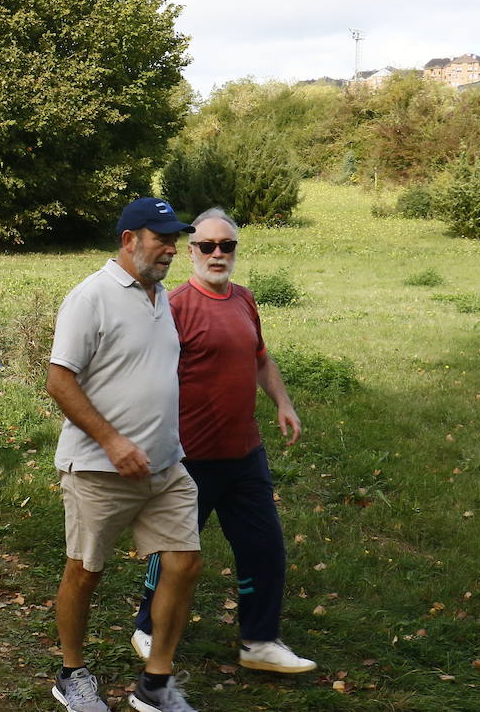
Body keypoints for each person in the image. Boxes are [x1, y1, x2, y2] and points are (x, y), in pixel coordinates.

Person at [131, 207, 315, 675]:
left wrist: (283, 402)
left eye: (226, 246)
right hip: (189, 456)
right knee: (174, 552)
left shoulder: (244, 299)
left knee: (264, 546)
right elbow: (148, 377)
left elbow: (260, 358)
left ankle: (259, 640)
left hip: (244, 453)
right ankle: (146, 629)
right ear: (191, 251)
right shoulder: (173, 307)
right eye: (207, 246)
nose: (217, 254)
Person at [46, 197, 201, 712]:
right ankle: (72, 674)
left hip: (165, 465)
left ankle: (155, 685)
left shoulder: (162, 299)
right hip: (97, 468)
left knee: (185, 562)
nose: (171, 249)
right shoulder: (92, 297)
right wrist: (112, 441)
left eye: (175, 240)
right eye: (162, 239)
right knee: (85, 572)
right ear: (129, 239)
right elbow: (59, 380)